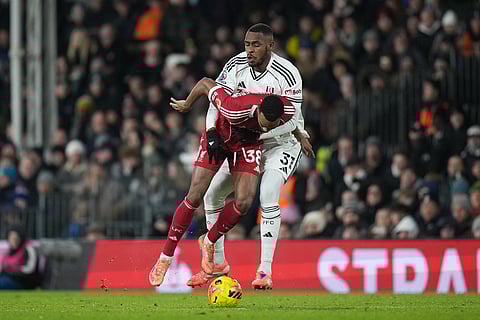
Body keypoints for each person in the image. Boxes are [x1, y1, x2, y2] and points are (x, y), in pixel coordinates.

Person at [188, 23, 312, 290]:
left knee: (268, 193)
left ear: (271, 45)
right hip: (246, 140)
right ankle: (217, 267)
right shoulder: (234, 66)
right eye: (247, 44)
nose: (250, 50)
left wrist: (254, 134)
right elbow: (215, 100)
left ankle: (264, 272)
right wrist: (211, 131)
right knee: (212, 195)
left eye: (256, 45)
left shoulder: (288, 74)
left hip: (280, 142)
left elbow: (292, 122)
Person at [148, 76, 298, 287]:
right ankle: (165, 257)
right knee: (195, 196)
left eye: (272, 125)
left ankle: (209, 240)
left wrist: (299, 134)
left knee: (244, 202)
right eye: (265, 123)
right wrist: (188, 104)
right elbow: (204, 83)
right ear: (259, 111)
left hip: (248, 144)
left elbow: (291, 122)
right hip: (220, 137)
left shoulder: (286, 109)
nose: (267, 128)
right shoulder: (233, 106)